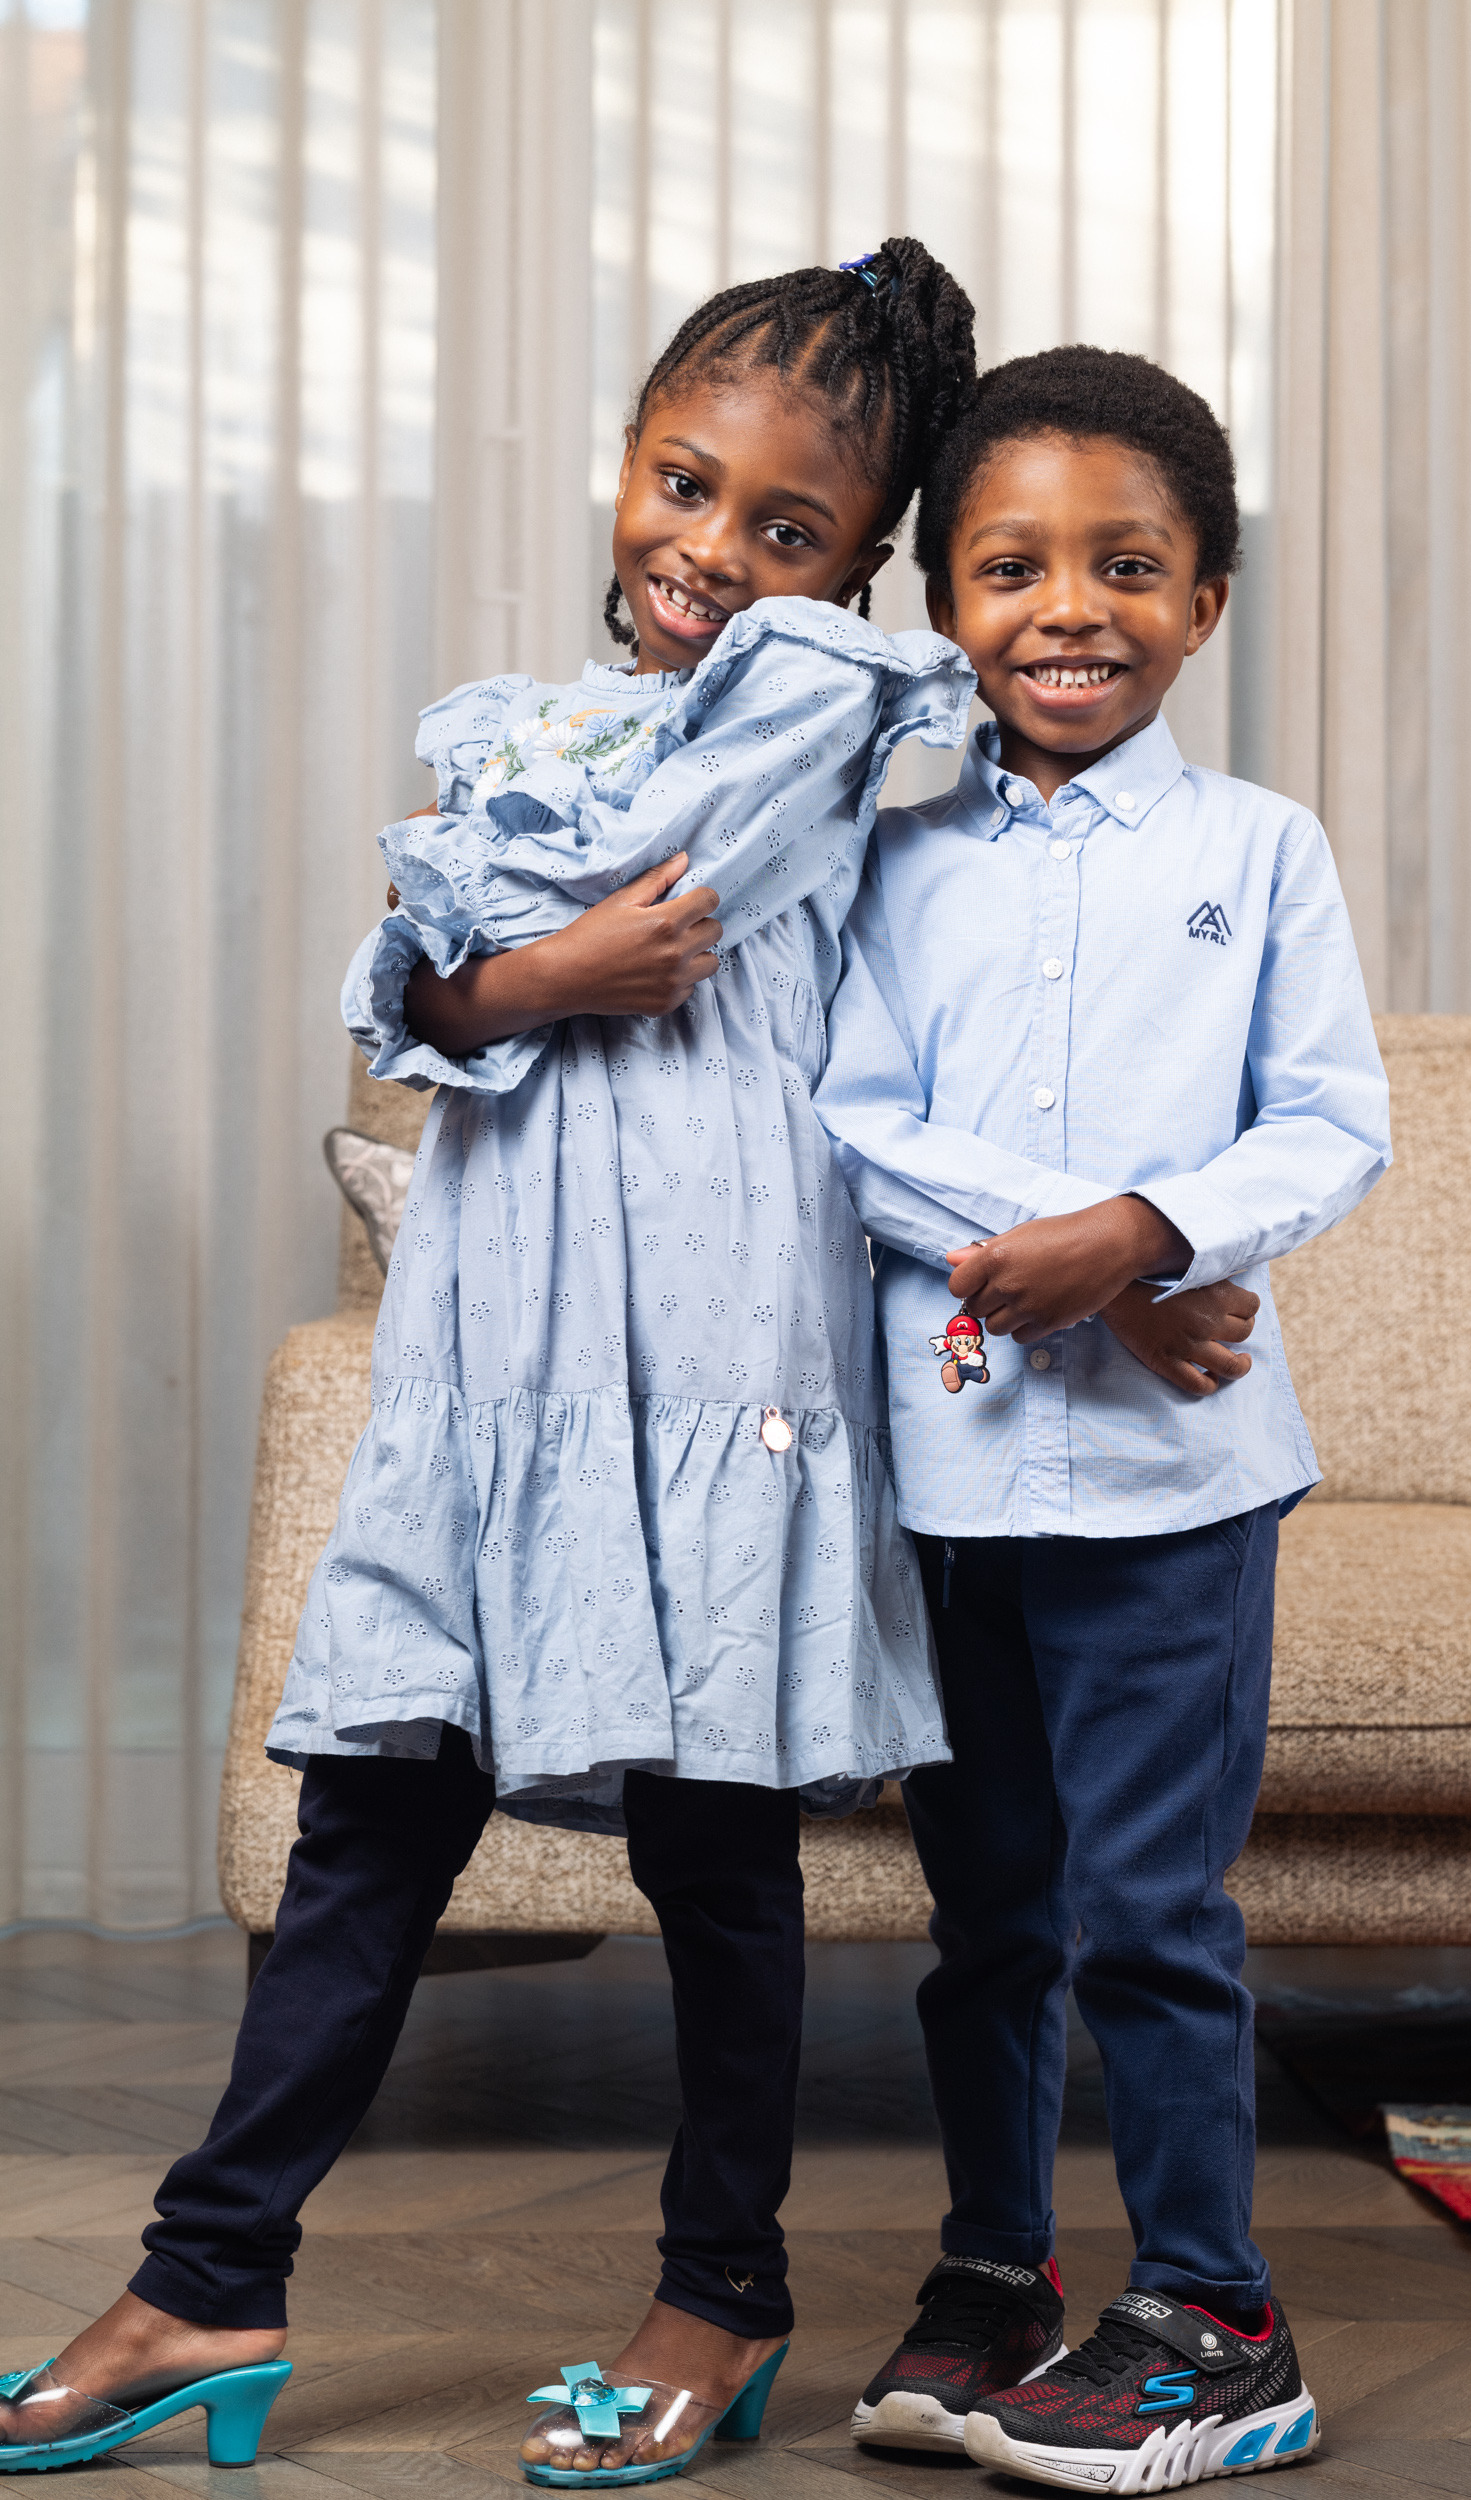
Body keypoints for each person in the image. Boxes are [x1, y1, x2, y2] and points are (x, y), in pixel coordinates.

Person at [0, 241, 978, 2489]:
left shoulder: (817, 708)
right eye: (683, 482)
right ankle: (207, 2274)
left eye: (788, 526)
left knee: (716, 1851)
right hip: (498, 1367)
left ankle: (722, 2293)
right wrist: (518, 980)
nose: (709, 550)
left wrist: (496, 948)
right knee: (369, 1825)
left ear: (857, 567)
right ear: (625, 457)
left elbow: (570, 889)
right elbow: (435, 980)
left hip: (709, 1365)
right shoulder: (522, 718)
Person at [814, 345, 1393, 2488]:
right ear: (944, 603)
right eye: (1014, 565)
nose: (1072, 607)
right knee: (991, 1921)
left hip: (1177, 1494)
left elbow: (1328, 1120)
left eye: (1128, 565)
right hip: (955, 1474)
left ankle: (1217, 2318)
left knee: (1152, 1912)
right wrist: (1081, 1264)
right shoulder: (890, 859)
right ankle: (995, 2275)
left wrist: (1148, 1234)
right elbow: (853, 1121)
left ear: (1206, 598)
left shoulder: (1263, 849)